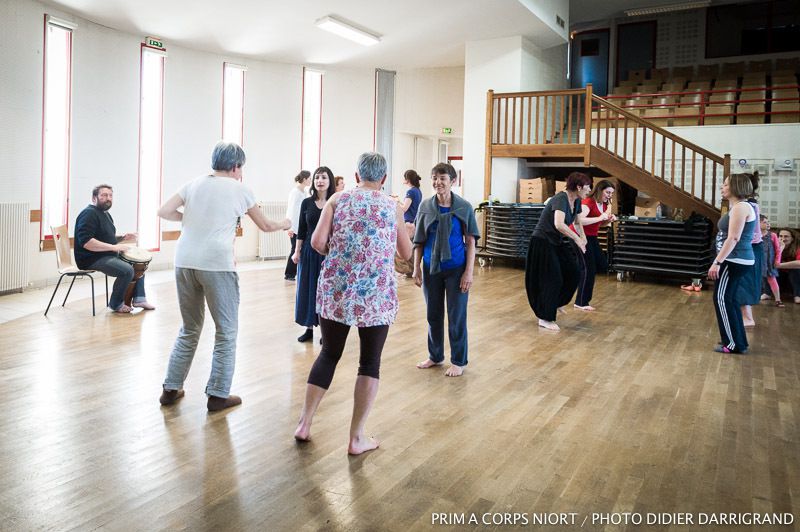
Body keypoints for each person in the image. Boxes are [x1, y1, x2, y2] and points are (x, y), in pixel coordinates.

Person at [157, 141, 291, 412]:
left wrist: (193, 218)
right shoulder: (240, 189)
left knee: (189, 327)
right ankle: (218, 394)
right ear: (235, 166)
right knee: (226, 331)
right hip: (216, 264)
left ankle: (171, 388)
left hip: (184, 262)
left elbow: (164, 211)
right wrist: (284, 224)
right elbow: (265, 225)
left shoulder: (194, 184)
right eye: (241, 168)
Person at [293, 152, 412, 455]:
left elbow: (317, 243)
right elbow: (406, 253)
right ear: (383, 179)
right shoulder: (392, 206)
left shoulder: (337, 201)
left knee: (329, 354)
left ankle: (305, 424)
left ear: (357, 176)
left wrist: (342, 250)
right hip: (376, 295)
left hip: (337, 290)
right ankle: (356, 438)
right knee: (369, 363)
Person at [412, 163, 480, 377]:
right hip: (431, 268)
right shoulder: (425, 207)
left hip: (456, 269)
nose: (437, 182)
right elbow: (419, 241)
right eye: (434, 178)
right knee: (433, 314)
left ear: (453, 181)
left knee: (456, 315)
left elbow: (470, 241)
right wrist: (416, 268)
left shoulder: (463, 207)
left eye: (442, 178)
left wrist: (469, 272)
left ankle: (458, 360)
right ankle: (435, 355)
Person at [525, 172, 592, 331]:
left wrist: (583, 237)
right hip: (542, 242)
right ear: (579, 187)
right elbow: (559, 224)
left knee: (574, 271)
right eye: (588, 187)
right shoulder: (560, 199)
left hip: (556, 242)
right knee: (553, 278)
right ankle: (545, 317)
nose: (589, 190)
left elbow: (577, 221)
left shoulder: (576, 200)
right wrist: (576, 239)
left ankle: (556, 302)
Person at [74, 184, 155, 313]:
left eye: (110, 195)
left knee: (138, 266)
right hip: (90, 259)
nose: (108, 198)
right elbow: (87, 242)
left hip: (104, 255)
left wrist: (123, 237)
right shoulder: (88, 214)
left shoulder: (105, 214)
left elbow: (106, 238)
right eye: (104, 195)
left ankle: (139, 299)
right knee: (127, 270)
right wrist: (114, 247)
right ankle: (116, 304)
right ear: (94, 198)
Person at [708, 174, 757, 354]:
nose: (722, 187)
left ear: (735, 187)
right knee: (729, 299)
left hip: (733, 260)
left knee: (721, 299)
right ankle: (737, 341)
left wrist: (717, 262)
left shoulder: (740, 207)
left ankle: (733, 344)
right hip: (736, 259)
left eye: (726, 184)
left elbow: (734, 238)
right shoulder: (740, 207)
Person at [292, 166, 334, 343]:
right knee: (307, 289)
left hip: (328, 253)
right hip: (309, 252)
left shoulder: (335, 202)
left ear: (329, 181)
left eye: (324, 177)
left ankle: (326, 332)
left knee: (324, 292)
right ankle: (308, 328)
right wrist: (297, 251)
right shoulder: (306, 203)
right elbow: (301, 229)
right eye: (317, 177)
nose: (320, 181)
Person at [573, 179, 617, 311]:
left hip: (591, 236)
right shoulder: (588, 202)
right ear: (600, 190)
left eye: (611, 193)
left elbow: (598, 224)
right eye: (608, 192)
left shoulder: (602, 205)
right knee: (588, 269)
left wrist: (607, 220)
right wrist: (600, 218)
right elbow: (579, 220)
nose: (609, 195)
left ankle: (575, 271)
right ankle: (581, 302)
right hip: (578, 235)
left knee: (602, 264)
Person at [738, 172, 762, 327]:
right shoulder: (747, 204)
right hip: (749, 247)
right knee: (741, 281)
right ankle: (745, 316)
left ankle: (748, 318)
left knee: (745, 282)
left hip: (751, 247)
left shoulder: (748, 205)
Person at [284, 170, 310, 281]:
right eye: (309, 178)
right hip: (294, 226)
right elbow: (291, 210)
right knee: (295, 249)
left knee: (298, 249)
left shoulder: (303, 192)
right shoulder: (295, 192)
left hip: (300, 225)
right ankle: (289, 274)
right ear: (304, 179)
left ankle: (295, 272)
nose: (310, 180)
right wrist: (290, 228)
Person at [759, 215, 783, 307]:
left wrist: (777, 261)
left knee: (772, 279)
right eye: (765, 222)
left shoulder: (772, 235)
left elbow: (778, 249)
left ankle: (778, 299)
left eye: (768, 222)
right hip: (758, 262)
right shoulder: (755, 235)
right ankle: (752, 297)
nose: (768, 224)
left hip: (769, 262)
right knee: (756, 280)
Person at [777, 228, 800, 304]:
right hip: (780, 276)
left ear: (792, 238)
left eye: (786, 236)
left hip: (794, 277)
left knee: (796, 270)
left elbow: (799, 263)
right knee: (768, 270)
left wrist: (779, 265)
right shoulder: (774, 247)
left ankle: (797, 295)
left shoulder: (798, 248)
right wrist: (780, 249)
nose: (783, 238)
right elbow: (769, 262)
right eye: (780, 236)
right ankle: (767, 293)